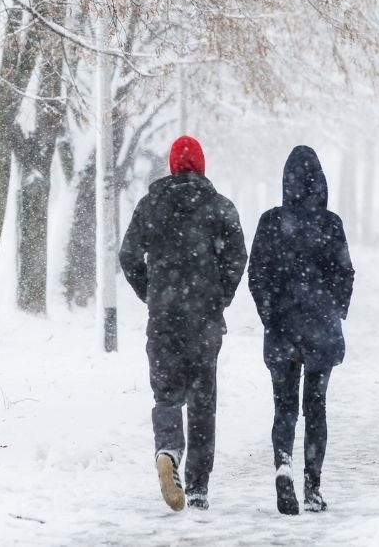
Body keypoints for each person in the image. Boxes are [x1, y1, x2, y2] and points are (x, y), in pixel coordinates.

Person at [119, 135, 247, 512]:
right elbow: (237, 261)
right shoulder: (220, 208)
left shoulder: (150, 205)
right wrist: (218, 296)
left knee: (166, 395)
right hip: (203, 321)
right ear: (202, 167)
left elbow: (128, 255)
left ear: (172, 166)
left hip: (164, 318)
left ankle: (168, 450)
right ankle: (198, 487)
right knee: (203, 401)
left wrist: (152, 293)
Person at [248, 145, 355, 515]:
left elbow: (256, 274)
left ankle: (283, 465)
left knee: (284, 408)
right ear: (321, 183)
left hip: (282, 329)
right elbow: (345, 273)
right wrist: (335, 310)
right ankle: (312, 487)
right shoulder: (331, 224)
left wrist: (269, 314)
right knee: (316, 408)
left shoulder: (270, 221)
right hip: (321, 330)